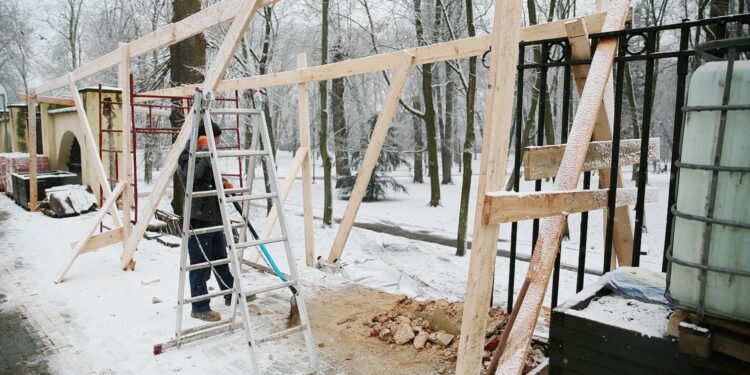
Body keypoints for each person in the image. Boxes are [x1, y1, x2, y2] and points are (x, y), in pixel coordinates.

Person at [177, 120, 234, 322]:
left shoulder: (206, 154)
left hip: (213, 215)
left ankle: (231, 293)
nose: (218, 141)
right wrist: (204, 151)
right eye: (215, 138)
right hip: (198, 217)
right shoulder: (187, 157)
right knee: (200, 263)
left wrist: (223, 183)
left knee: (220, 257)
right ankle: (199, 307)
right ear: (202, 139)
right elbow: (194, 179)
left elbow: (209, 178)